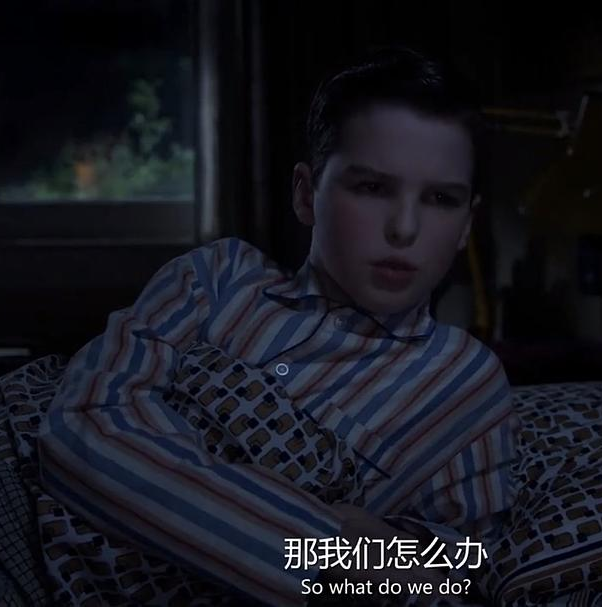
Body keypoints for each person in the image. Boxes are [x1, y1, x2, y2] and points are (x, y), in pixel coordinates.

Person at [37, 46, 517, 607]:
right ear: (306, 195)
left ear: (466, 225)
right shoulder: (218, 278)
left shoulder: (466, 383)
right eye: (371, 188)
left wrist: (389, 557)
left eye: (439, 199)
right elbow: (82, 424)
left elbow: (465, 570)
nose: (404, 228)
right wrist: (329, 545)